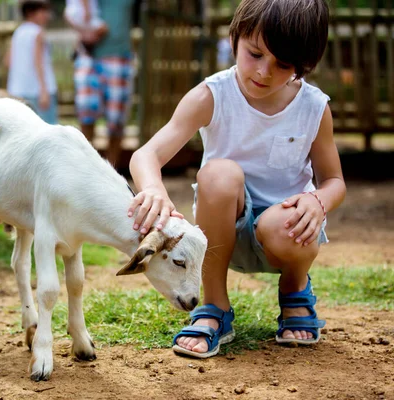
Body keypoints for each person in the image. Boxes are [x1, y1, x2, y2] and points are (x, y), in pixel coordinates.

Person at [128, 0, 346, 358]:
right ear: (236, 38)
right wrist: (153, 189)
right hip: (219, 233)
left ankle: (295, 290)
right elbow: (146, 155)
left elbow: (334, 180)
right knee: (218, 174)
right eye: (255, 54)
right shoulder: (211, 96)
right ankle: (214, 305)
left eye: (283, 65)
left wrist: (317, 201)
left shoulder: (313, 108)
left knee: (291, 216)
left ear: (304, 66)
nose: (263, 72)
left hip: (286, 235)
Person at [65, 0, 136, 167]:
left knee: (116, 120)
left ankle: (112, 171)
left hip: (119, 57)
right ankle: (87, 169)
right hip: (87, 57)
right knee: (86, 112)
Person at [6, 0, 58, 124]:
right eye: (43, 11)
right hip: (39, 92)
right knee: (47, 131)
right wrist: (44, 91)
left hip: (17, 91)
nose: (47, 15)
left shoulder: (18, 32)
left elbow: (8, 61)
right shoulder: (37, 32)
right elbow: (38, 62)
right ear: (30, 12)